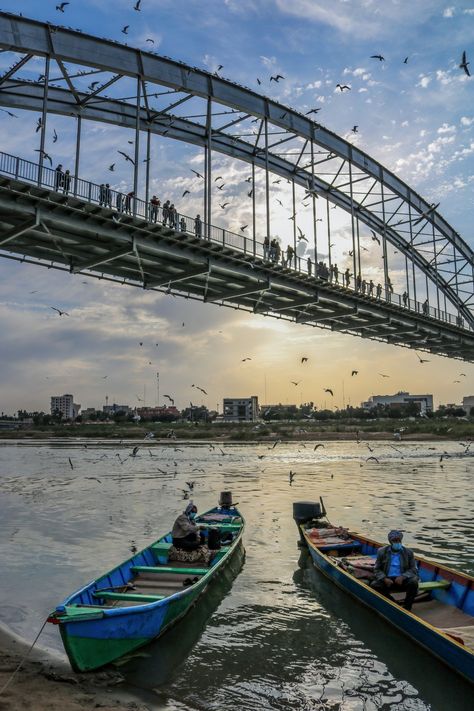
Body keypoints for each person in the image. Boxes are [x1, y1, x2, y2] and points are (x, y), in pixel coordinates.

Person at [370, 530, 419, 610]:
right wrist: (384, 578)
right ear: (390, 542)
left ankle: (407, 607)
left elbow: (414, 569)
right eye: (395, 540)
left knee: (413, 582)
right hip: (388, 580)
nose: (397, 542)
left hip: (402, 580)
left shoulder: (409, 552)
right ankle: (394, 604)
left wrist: (403, 577)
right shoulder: (382, 551)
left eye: (399, 540)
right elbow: (376, 569)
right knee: (374, 585)